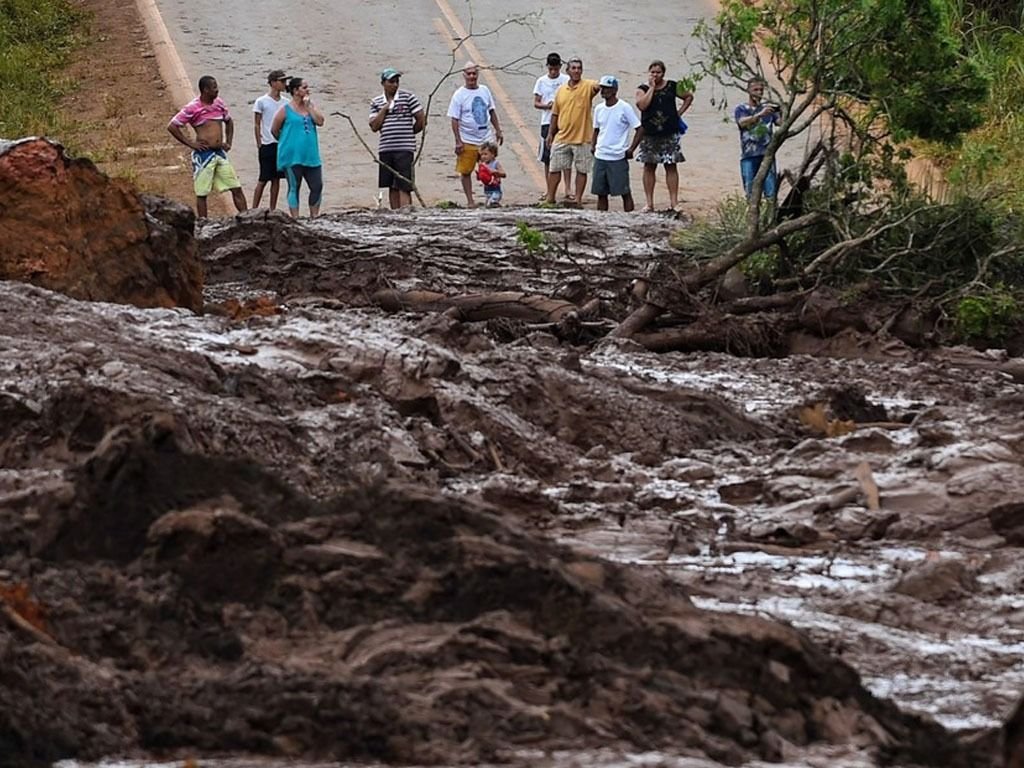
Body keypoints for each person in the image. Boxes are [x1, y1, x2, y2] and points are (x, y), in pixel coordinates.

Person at [167, 75, 248, 218]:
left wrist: (228, 142)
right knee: (202, 192)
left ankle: (247, 217)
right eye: (214, 87)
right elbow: (172, 126)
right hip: (204, 155)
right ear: (205, 90)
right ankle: (204, 222)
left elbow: (229, 121)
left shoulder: (219, 104)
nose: (217, 90)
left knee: (236, 187)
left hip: (219, 153)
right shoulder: (193, 107)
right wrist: (191, 144)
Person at [632, 60, 693, 212]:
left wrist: (679, 113)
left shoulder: (672, 86)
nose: (655, 75)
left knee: (671, 166)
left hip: (669, 132)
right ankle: (649, 203)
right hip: (650, 133)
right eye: (652, 72)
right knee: (649, 166)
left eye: (658, 72)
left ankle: (674, 202)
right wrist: (652, 89)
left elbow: (688, 96)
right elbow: (642, 105)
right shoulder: (642, 89)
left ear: (663, 73)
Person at [544, 57, 600, 206]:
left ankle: (578, 199)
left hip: (582, 138)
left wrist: (602, 86)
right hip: (562, 136)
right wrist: (551, 133)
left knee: (581, 170)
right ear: (567, 70)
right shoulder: (561, 90)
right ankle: (550, 198)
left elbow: (598, 86)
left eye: (579, 68)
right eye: (573, 68)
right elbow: (555, 113)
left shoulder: (588, 86)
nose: (576, 71)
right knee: (554, 168)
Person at [447, 61, 503, 208]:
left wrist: (498, 130)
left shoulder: (484, 90)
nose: (472, 76)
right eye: (469, 74)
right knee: (466, 171)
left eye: (474, 73)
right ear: (464, 75)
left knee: (492, 169)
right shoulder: (459, 95)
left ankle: (492, 197)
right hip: (467, 139)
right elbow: (454, 119)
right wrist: (458, 141)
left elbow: (491, 111)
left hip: (485, 138)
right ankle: (470, 200)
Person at [369, 67, 425, 209]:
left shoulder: (408, 97)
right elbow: (374, 126)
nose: (395, 84)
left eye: (397, 81)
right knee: (391, 185)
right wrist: (384, 109)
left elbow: (421, 119)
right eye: (391, 81)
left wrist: (410, 133)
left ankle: (406, 212)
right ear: (383, 83)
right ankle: (395, 214)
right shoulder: (376, 102)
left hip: (405, 149)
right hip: (386, 149)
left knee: (405, 185)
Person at [270, 76, 325, 218]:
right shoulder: (285, 109)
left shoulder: (310, 106)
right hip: (292, 156)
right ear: (295, 91)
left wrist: (309, 107)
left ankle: (315, 216)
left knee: (317, 186)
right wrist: (285, 141)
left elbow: (320, 121)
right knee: (294, 187)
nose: (308, 90)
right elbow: (274, 129)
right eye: (304, 87)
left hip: (311, 155)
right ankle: (295, 217)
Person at [591, 76, 641, 212]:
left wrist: (631, 149)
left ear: (614, 90)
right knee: (601, 193)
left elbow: (639, 128)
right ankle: (601, 220)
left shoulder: (624, 108)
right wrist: (593, 145)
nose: (604, 91)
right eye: (602, 88)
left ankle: (630, 218)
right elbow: (596, 129)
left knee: (624, 191)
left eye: (607, 88)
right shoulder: (599, 109)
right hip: (601, 156)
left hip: (617, 157)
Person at [734, 77, 781, 201]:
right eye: (755, 90)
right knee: (751, 193)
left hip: (767, 155)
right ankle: (753, 219)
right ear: (748, 90)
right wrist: (759, 115)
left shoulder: (769, 108)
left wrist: (783, 109)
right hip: (749, 156)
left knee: (771, 193)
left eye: (761, 90)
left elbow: (781, 123)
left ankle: (771, 218)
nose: (759, 93)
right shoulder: (741, 109)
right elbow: (742, 123)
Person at [532, 52, 570, 199]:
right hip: (547, 120)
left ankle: (567, 188)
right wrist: (546, 106)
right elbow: (536, 102)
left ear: (560, 67)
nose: (553, 72)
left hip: (564, 120)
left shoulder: (566, 80)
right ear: (547, 67)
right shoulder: (541, 81)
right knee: (547, 157)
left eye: (556, 69)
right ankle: (549, 189)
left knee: (566, 154)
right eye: (551, 69)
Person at [252, 69, 288, 210]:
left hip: (280, 143)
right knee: (263, 178)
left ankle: (272, 208)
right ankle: (254, 208)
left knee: (276, 178)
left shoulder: (286, 102)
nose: (284, 84)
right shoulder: (261, 101)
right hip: (267, 143)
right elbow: (257, 122)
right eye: (282, 81)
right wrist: (259, 143)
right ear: (273, 83)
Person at [475, 141, 505, 207]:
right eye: (482, 155)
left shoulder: (495, 163)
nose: (483, 157)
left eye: (485, 154)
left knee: (493, 200)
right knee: (488, 202)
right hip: (487, 189)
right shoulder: (483, 165)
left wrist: (496, 172)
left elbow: (504, 174)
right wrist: (479, 175)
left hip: (495, 188)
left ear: (493, 154)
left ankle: (495, 203)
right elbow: (481, 177)